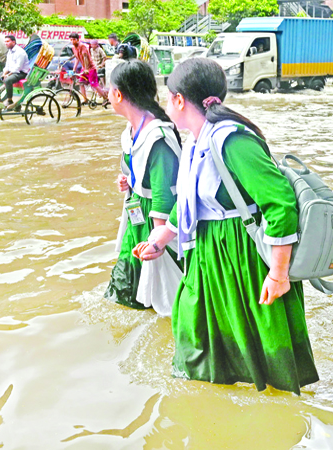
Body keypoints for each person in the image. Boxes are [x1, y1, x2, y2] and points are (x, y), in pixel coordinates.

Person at [133, 58, 319, 393]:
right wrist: (161, 237)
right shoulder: (195, 142)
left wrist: (278, 274)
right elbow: (191, 199)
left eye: (168, 96)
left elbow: (279, 202)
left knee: (257, 338)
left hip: (241, 256)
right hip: (209, 254)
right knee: (193, 326)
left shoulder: (233, 140)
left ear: (178, 100)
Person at [104, 60, 182, 311]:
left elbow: (163, 195)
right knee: (126, 290)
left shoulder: (158, 136)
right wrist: (127, 181)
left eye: (109, 89)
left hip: (155, 222)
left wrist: (158, 242)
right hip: (137, 215)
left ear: (118, 94)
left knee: (163, 293)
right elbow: (135, 167)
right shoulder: (132, 129)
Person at [0, 35, 29, 107]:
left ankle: (9, 100)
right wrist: (4, 74)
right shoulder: (9, 52)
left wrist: (7, 75)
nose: (6, 43)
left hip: (20, 73)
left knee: (7, 80)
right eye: (5, 42)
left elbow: (18, 68)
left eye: (7, 41)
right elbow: (7, 65)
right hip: (10, 72)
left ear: (13, 42)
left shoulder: (20, 52)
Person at [69, 32, 106, 103]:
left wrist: (86, 68)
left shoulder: (82, 46)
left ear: (77, 39)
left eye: (74, 39)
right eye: (71, 40)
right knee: (81, 83)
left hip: (91, 68)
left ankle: (105, 97)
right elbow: (77, 58)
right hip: (84, 68)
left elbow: (85, 57)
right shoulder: (74, 48)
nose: (72, 41)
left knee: (94, 84)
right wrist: (74, 69)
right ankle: (85, 99)